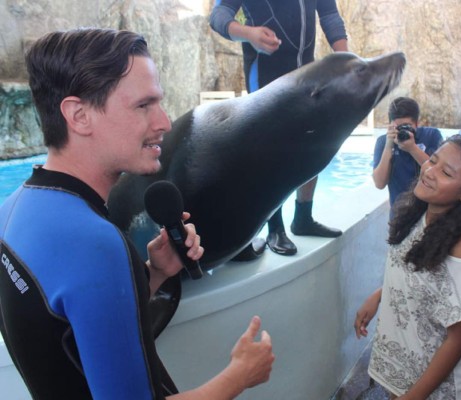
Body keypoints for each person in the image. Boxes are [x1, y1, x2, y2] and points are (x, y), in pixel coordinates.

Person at [0, 28, 274, 399]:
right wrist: (240, 374)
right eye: (143, 105)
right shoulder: (96, 245)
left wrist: (154, 273)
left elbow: (64, 332)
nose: (164, 122)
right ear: (79, 116)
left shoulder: (15, 206)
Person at [354, 131, 461, 399]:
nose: (430, 171)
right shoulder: (420, 213)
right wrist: (380, 294)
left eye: (446, 173)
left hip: (432, 384)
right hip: (403, 365)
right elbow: (413, 274)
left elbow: (458, 339)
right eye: (432, 160)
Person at [210, 0, 347, 256]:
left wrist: (347, 59)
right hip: (265, 71)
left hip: (306, 70)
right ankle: (275, 227)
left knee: (317, 140)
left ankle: (303, 217)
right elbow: (218, 15)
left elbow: (329, 14)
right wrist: (248, 34)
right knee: (274, 151)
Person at [372, 97, 443, 213]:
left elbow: (439, 173)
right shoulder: (383, 142)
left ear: (416, 123)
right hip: (399, 214)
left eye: (407, 126)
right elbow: (379, 183)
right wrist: (388, 146)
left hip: (429, 211)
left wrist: (413, 149)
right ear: (390, 125)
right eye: (398, 127)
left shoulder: (432, 136)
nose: (402, 131)